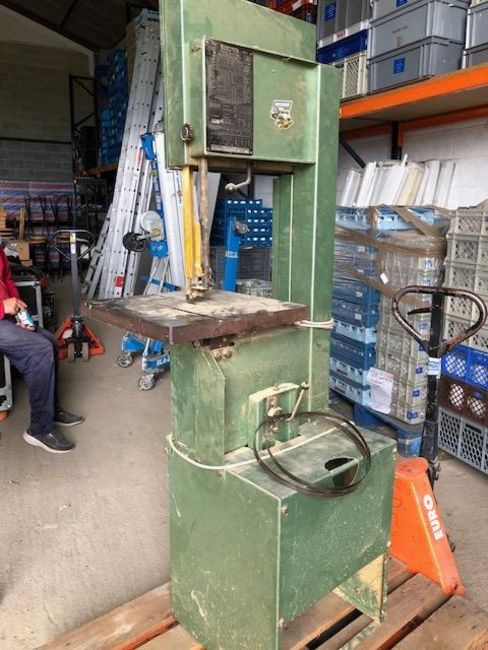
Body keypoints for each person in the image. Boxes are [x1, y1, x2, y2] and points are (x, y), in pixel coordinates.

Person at [0, 244, 83, 453]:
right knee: (39, 349)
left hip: (5, 316)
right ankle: (39, 430)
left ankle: (51, 411)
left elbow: (6, 278)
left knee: (50, 341)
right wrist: (2, 307)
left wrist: (18, 310)